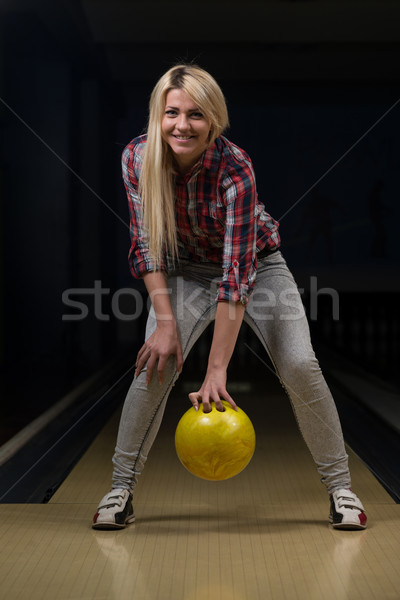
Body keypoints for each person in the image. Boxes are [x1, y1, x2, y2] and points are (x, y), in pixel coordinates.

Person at [92, 64, 367, 531]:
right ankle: (120, 490)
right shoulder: (137, 158)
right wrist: (164, 323)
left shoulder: (234, 166)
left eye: (196, 115)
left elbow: (236, 275)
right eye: (172, 112)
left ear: (213, 121)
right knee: (154, 365)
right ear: (157, 116)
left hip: (258, 268)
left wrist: (216, 370)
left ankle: (342, 489)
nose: (182, 125)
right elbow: (145, 246)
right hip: (181, 269)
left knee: (301, 365)